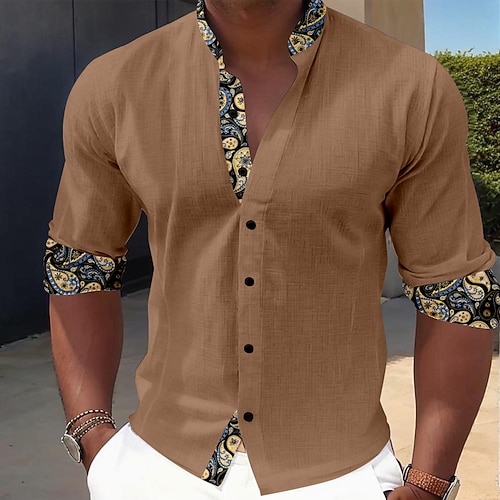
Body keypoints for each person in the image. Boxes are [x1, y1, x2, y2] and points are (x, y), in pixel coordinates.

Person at [44, 0, 500, 498]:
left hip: (341, 476)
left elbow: (457, 291)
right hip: (156, 467)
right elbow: (80, 264)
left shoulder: (411, 87)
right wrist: (93, 438)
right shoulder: (116, 84)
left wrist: (428, 485)